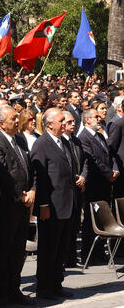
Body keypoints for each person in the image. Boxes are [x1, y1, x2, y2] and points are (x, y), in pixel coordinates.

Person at [0, 105, 35, 308]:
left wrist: (32, 190)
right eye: (13, 118)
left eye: (17, 117)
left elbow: (29, 169)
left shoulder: (20, 139)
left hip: (24, 205)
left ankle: (14, 289)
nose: (17, 120)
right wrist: (19, 197)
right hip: (7, 207)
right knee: (2, 252)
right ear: (1, 123)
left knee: (17, 251)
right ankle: (0, 294)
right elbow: (2, 175)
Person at [30, 108, 75, 300]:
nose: (65, 123)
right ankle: (44, 286)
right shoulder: (42, 144)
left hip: (66, 203)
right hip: (51, 205)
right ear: (49, 124)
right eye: (61, 121)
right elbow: (39, 176)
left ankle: (56, 284)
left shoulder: (63, 142)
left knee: (61, 248)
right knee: (49, 248)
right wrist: (42, 205)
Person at [78, 109, 119, 263]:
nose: (99, 118)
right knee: (91, 220)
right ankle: (88, 254)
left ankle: (100, 252)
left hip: (105, 184)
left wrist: (114, 169)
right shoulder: (84, 138)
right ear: (87, 120)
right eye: (95, 117)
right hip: (94, 184)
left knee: (102, 218)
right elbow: (93, 160)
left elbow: (109, 154)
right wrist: (108, 173)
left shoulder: (100, 135)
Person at [62, 111, 87, 267]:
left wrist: (83, 177)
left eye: (73, 121)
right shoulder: (60, 142)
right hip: (67, 190)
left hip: (78, 187)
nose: (73, 124)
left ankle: (71, 257)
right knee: (65, 227)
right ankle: (65, 258)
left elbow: (84, 162)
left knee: (74, 225)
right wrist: (75, 178)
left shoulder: (76, 141)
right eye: (70, 122)